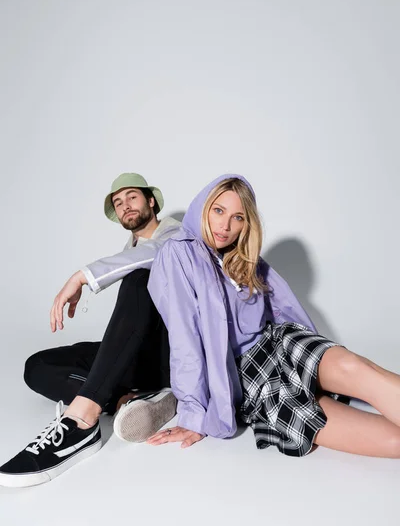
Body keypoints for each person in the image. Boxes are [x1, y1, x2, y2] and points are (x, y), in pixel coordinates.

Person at [146, 174, 400, 458]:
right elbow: (185, 339)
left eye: (238, 217)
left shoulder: (243, 258)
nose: (226, 225)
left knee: (356, 368)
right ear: (203, 207)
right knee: (392, 442)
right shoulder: (178, 254)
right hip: (249, 376)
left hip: (281, 342)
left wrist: (315, 365)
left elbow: (282, 308)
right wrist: (192, 414)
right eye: (219, 211)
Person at [0, 173, 180, 488]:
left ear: (151, 200)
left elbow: (156, 255)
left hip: (168, 355)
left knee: (140, 279)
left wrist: (82, 276)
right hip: (136, 355)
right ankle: (128, 400)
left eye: (132, 197)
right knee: (37, 366)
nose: (125, 206)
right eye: (118, 202)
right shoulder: (129, 248)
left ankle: (82, 420)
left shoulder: (175, 234)